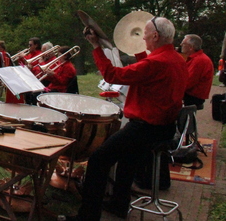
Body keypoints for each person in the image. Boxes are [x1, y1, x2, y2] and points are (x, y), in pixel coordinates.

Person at [63, 16, 187, 221]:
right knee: (127, 161)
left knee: (98, 160)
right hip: (164, 126)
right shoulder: (176, 59)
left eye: (145, 34)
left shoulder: (156, 62)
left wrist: (96, 46)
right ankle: (119, 204)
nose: (143, 39)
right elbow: (149, 72)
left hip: (146, 127)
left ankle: (88, 215)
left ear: (155, 36)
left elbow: (112, 75)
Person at [181, 34, 214, 109]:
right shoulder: (196, 58)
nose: (181, 44)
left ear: (190, 47)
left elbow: (188, 82)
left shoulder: (199, 60)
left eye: (183, 43)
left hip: (193, 96)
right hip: (192, 94)